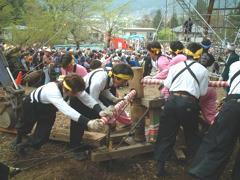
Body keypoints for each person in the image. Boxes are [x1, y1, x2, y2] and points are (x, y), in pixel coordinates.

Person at [13, 74, 107, 154]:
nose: (77, 95)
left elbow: (87, 99)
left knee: (43, 137)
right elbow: (67, 111)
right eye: (75, 93)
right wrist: (88, 122)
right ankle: (18, 139)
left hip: (48, 109)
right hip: (32, 105)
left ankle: (23, 145)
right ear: (69, 90)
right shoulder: (53, 92)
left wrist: (100, 111)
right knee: (25, 125)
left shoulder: (70, 86)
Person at [154, 42, 208, 176]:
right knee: (192, 135)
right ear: (199, 56)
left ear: (185, 52)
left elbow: (166, 84)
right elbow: (202, 92)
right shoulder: (203, 70)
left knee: (166, 134)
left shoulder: (175, 67)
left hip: (172, 101)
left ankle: (160, 168)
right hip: (189, 103)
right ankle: (196, 168)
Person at [189, 60, 240, 180]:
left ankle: (203, 172)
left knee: (219, 141)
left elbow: (230, 84)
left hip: (233, 105)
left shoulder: (235, 65)